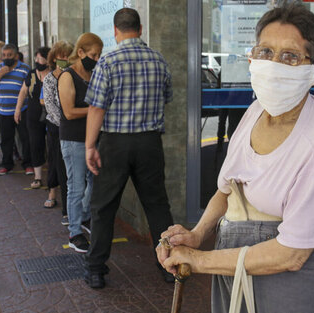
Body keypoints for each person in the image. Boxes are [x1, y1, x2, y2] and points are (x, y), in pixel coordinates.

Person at [157, 4, 314, 313]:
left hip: (290, 282)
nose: (273, 64)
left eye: (290, 56)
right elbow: (228, 188)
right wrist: (196, 235)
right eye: (265, 51)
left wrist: (200, 260)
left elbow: (292, 255)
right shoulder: (255, 111)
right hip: (234, 265)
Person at [84, 8, 174, 288]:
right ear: (141, 28)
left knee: (103, 206)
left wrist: (90, 146)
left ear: (115, 30)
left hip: (115, 143)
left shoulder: (108, 61)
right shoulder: (158, 60)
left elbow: (97, 108)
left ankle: (96, 269)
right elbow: (167, 96)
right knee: (157, 206)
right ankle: (169, 266)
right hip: (149, 142)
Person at [58, 33, 102, 253]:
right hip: (74, 139)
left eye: (99, 55)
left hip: (92, 138)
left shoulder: (93, 74)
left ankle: (83, 217)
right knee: (76, 186)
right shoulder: (67, 76)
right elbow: (69, 112)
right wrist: (97, 109)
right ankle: (75, 232)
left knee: (93, 182)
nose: (96, 59)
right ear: (81, 52)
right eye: (93, 54)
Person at [0, 43, 33, 176]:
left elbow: (29, 88)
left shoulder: (25, 68)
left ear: (16, 56)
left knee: (25, 138)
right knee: (6, 139)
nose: (6, 57)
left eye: (9, 55)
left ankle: (28, 164)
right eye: (4, 55)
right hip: (4, 111)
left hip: (22, 110)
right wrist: (0, 74)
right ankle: (6, 164)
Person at [42, 41, 74, 224]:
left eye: (68, 56)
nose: (65, 60)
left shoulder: (73, 75)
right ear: (54, 58)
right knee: (62, 168)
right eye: (61, 57)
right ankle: (66, 210)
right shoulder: (49, 79)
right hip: (57, 127)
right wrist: (66, 121)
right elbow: (50, 107)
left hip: (74, 127)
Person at [14, 47, 51, 189]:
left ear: (48, 59)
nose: (37, 61)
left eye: (40, 58)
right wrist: (17, 110)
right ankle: (38, 177)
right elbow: (23, 91)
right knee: (35, 144)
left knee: (52, 146)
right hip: (33, 115)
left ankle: (55, 176)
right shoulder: (31, 74)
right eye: (36, 58)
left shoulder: (55, 74)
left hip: (51, 115)